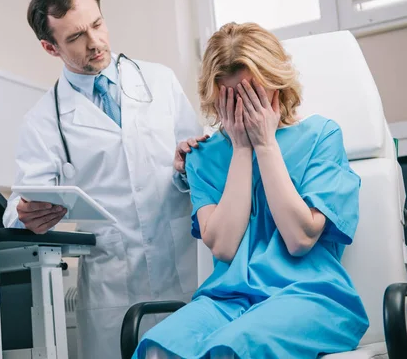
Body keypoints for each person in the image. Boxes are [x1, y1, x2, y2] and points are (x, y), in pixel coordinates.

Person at [134, 22, 369, 358]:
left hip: (308, 296)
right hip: (227, 299)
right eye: (231, 98)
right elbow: (225, 247)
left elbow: (300, 239)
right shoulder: (203, 157)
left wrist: (265, 144)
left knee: (231, 349)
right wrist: (242, 150)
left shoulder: (321, 136)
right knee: (156, 350)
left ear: (277, 84)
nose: (243, 108)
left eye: (253, 94)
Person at [2, 0, 207, 359]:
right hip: (116, 289)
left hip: (187, 272)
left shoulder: (159, 81)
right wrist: (26, 214)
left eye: (96, 24)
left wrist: (186, 167)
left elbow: (199, 168)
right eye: (76, 37)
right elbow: (20, 204)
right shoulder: (44, 119)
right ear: (50, 47)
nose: (95, 43)